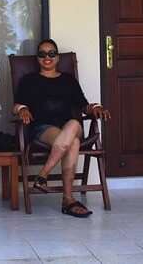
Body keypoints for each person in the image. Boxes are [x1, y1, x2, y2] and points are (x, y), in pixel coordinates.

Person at [13, 38, 111, 217]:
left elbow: (83, 105)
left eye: (51, 54)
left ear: (57, 58)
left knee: (73, 124)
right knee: (72, 143)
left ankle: (42, 174)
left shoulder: (68, 80)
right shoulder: (29, 80)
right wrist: (23, 109)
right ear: (37, 58)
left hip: (69, 125)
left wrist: (95, 107)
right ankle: (68, 199)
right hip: (43, 128)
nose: (47, 57)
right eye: (42, 54)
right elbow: (17, 105)